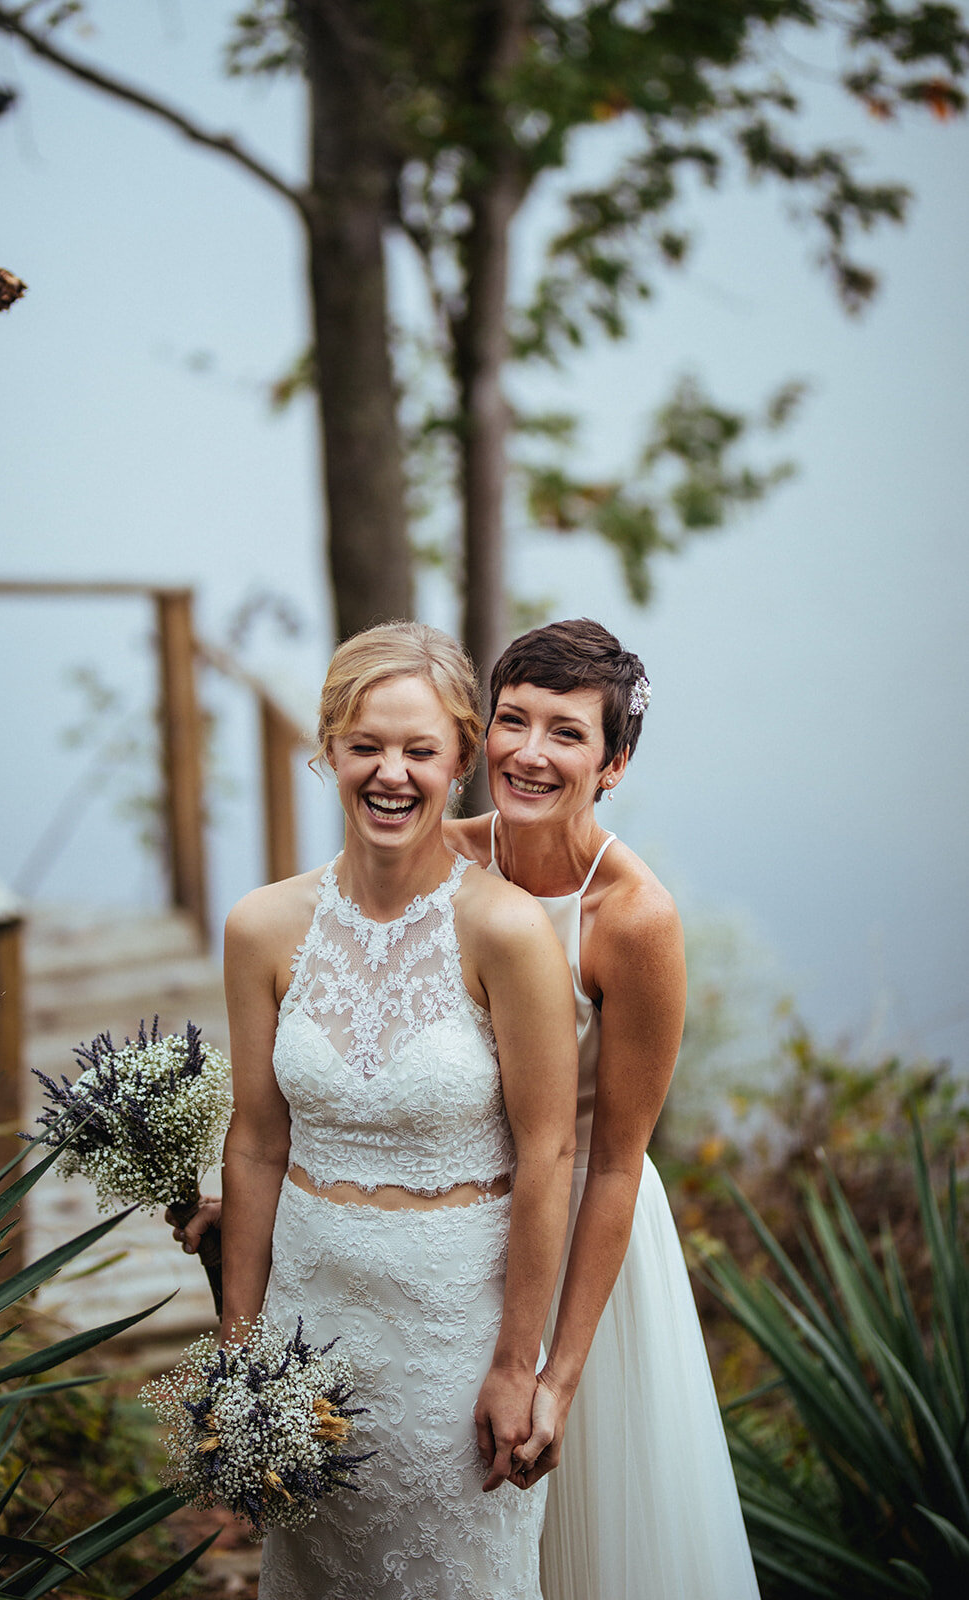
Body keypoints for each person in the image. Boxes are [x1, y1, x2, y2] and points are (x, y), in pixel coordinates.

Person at [216, 621, 578, 1600]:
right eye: (365, 744)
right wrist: (240, 1355)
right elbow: (253, 1145)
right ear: (325, 747)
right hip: (308, 1328)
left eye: (419, 750)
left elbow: (549, 1153)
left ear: (460, 759)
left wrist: (518, 1365)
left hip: (451, 1346)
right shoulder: (259, 928)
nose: (390, 773)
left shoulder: (504, 930)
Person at [445, 617, 760, 1600]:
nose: (528, 754)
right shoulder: (437, 864)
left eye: (566, 733)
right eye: (511, 721)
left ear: (614, 762)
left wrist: (558, 1371)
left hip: (587, 1236)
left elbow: (619, 1158)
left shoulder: (632, 916)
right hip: (451, 1222)